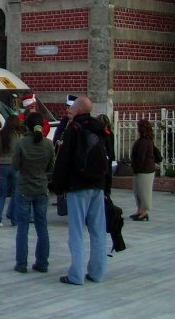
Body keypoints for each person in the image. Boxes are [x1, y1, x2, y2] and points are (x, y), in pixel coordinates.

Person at [50, 96, 109, 285]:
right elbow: (108, 159)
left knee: (76, 232)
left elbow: (63, 160)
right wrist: (106, 187)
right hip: (97, 186)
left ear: (77, 111)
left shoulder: (73, 130)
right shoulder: (101, 129)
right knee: (98, 231)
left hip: (77, 187)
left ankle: (76, 275)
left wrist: (57, 186)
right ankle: (98, 272)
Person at [11, 111, 55, 273]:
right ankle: (42, 262)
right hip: (41, 188)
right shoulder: (48, 144)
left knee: (22, 228)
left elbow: (15, 166)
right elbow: (51, 167)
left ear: (27, 126)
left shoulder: (22, 143)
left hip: (24, 188)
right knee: (42, 227)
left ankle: (21, 263)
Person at [0, 112, 23, 227]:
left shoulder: (1, 133)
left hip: (3, 165)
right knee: (15, 193)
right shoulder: (19, 135)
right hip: (15, 166)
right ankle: (14, 219)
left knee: (2, 195)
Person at [129, 119, 157, 221]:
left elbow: (141, 157)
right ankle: (140, 210)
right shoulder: (145, 140)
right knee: (138, 191)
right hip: (142, 169)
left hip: (145, 170)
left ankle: (144, 211)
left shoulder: (144, 141)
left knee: (144, 191)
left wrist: (137, 168)